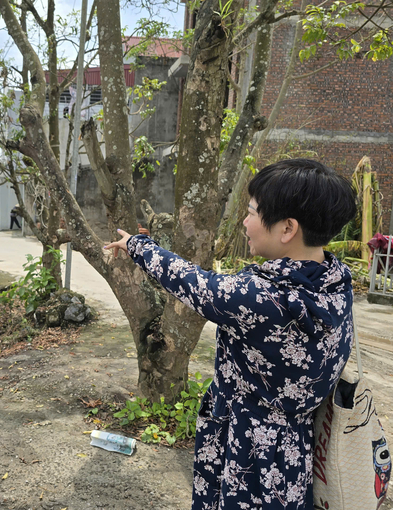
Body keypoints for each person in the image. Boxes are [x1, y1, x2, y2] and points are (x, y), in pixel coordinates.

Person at [104, 159, 357, 509]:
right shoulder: (336, 284)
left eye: (252, 212)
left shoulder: (262, 297)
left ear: (287, 229)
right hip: (295, 450)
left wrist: (138, 246)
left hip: (247, 452)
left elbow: (194, 283)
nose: (244, 221)